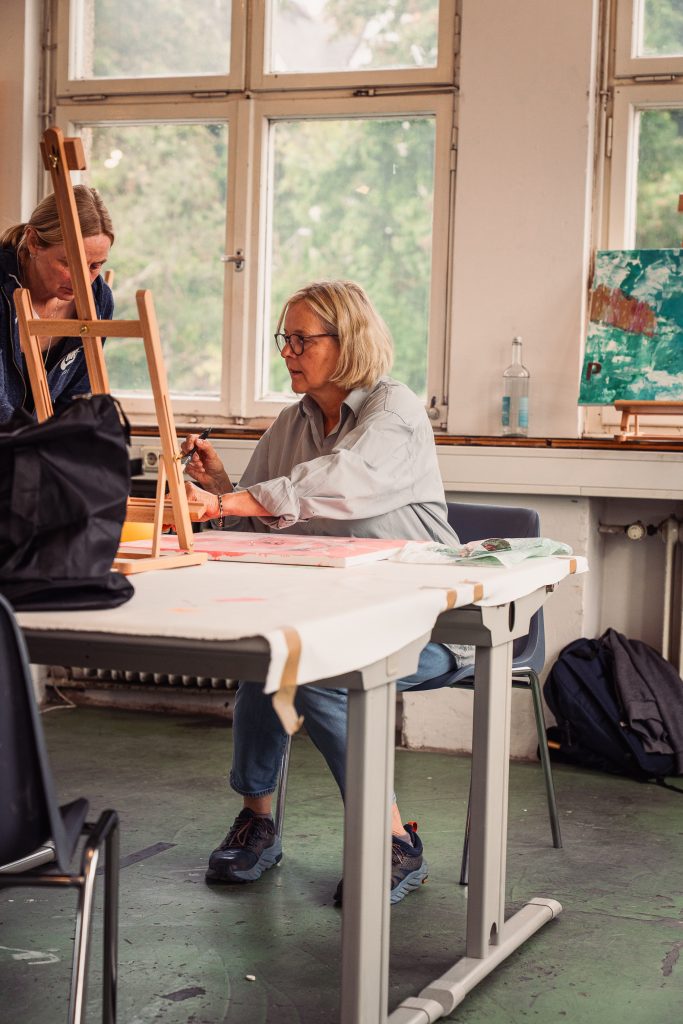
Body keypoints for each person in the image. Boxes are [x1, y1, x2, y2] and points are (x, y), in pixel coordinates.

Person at [181, 279, 472, 904]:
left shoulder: (394, 412)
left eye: (301, 339)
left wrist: (228, 502)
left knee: (319, 669)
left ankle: (395, 840)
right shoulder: (293, 422)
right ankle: (258, 821)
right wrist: (222, 486)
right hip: (336, 617)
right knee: (268, 654)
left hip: (431, 625)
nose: (287, 352)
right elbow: (256, 520)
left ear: (348, 342)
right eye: (283, 339)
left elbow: (341, 482)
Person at [0, 185, 114, 424]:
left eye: (95, 266)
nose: (83, 280)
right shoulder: (3, 289)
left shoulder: (98, 301)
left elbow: (75, 400)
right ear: (33, 242)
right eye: (70, 263)